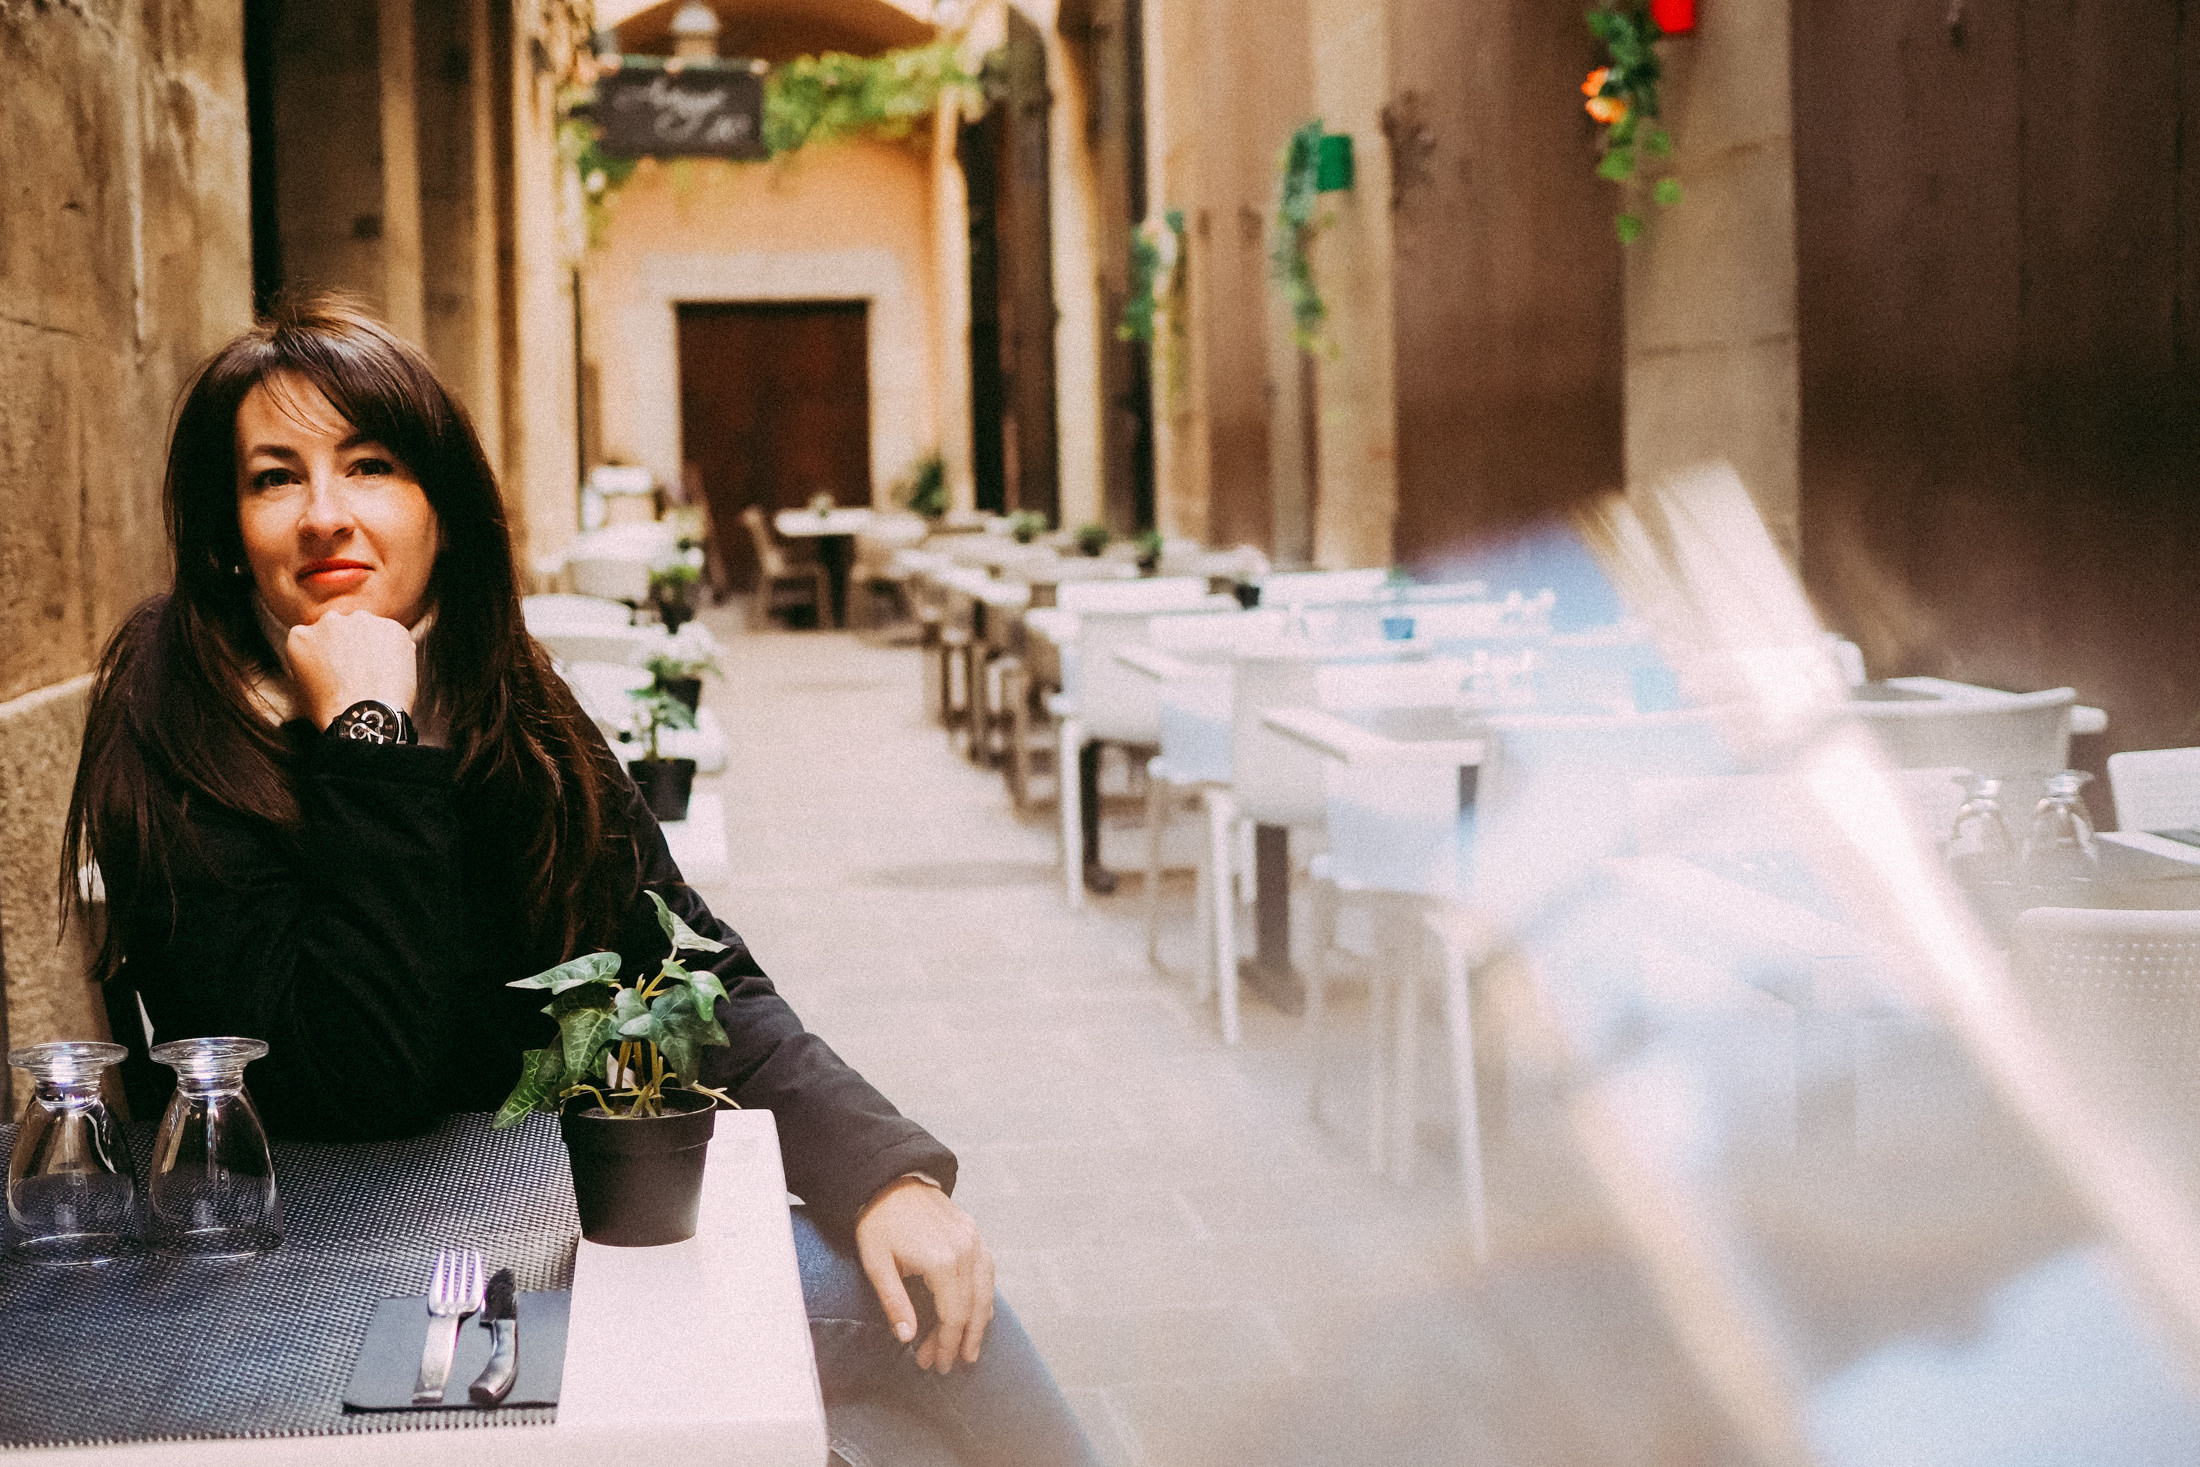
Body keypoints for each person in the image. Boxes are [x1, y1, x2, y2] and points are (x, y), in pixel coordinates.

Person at [62, 297, 1098, 1467]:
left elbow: (680, 956)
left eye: (371, 465)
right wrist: (366, 731)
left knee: (879, 1406)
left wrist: (880, 1176)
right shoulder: (177, 718)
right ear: (221, 532)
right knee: (909, 1352)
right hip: (297, 1290)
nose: (327, 514)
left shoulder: (500, 690)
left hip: (510, 1226)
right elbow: (360, 1081)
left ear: (441, 510)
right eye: (273, 478)